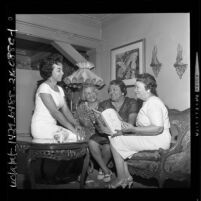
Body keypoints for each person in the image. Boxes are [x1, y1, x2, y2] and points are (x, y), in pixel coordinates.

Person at [109, 73, 171, 188]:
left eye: (138, 87)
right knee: (117, 137)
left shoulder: (153, 103)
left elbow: (158, 128)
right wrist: (125, 131)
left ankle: (121, 178)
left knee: (115, 141)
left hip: (158, 140)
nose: (135, 91)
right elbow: (147, 127)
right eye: (135, 87)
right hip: (152, 137)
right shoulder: (147, 102)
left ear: (148, 89)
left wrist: (133, 129)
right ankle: (127, 177)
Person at [88, 79, 139, 183]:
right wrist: (101, 128)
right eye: (110, 90)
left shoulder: (132, 102)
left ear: (123, 91)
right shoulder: (104, 104)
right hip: (105, 133)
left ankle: (103, 170)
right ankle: (106, 170)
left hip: (123, 133)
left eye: (115, 90)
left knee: (108, 147)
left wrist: (119, 128)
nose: (111, 93)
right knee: (91, 142)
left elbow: (131, 124)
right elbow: (99, 122)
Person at [31, 54, 82, 143]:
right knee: (75, 137)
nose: (62, 73)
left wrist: (76, 124)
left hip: (52, 126)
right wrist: (72, 129)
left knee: (78, 137)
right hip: (40, 127)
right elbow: (55, 112)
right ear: (50, 71)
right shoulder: (44, 88)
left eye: (62, 70)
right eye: (59, 70)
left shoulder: (60, 89)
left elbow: (65, 110)